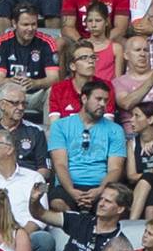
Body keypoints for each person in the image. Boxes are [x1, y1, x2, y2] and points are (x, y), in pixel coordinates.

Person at [45, 82, 126, 213]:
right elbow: (60, 164)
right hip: (69, 185)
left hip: (101, 185)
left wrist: (100, 191)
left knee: (110, 206)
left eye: (106, 100)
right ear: (84, 99)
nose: (103, 104)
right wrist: (72, 191)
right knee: (57, 204)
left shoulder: (116, 130)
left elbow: (115, 168)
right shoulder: (60, 126)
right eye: (98, 99)